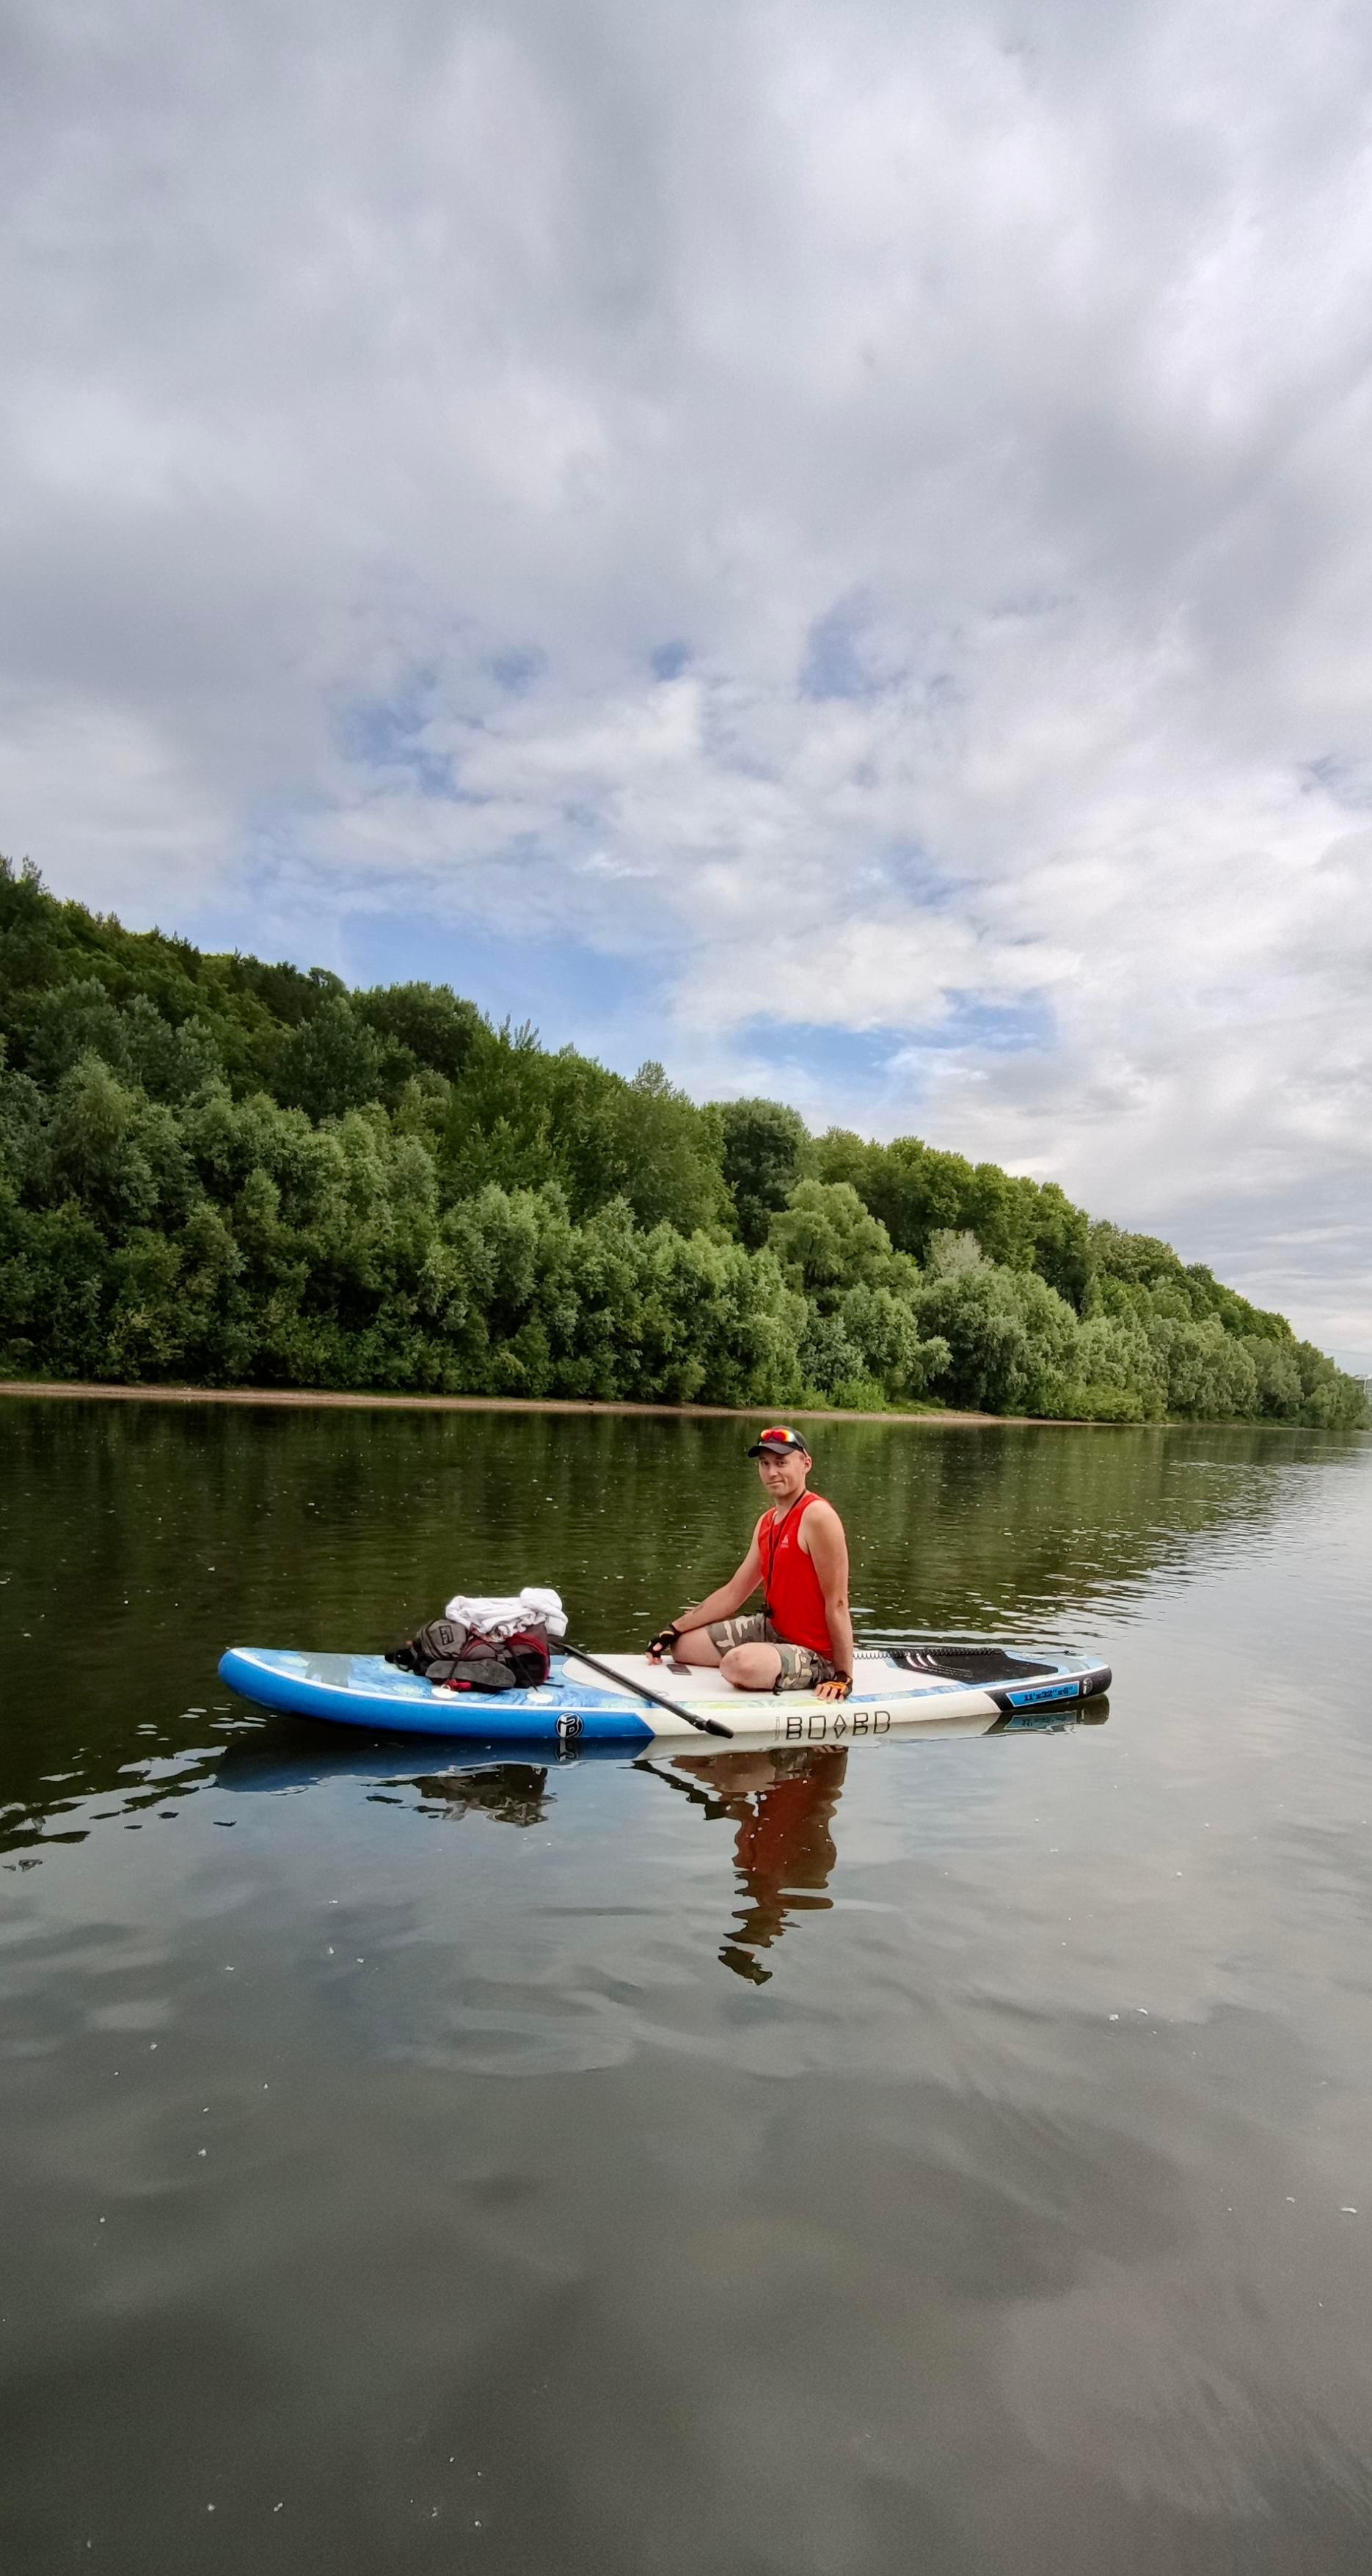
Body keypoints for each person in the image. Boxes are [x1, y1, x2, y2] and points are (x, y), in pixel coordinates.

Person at [647, 1426, 854, 1700]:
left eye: (781, 1463)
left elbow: (838, 1602)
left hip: (816, 1650)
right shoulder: (767, 1521)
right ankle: (766, 1654)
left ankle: (821, 1669)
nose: (771, 1473)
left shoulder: (817, 1516)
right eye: (765, 1464)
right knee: (683, 1646)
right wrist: (674, 1628)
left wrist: (844, 1675)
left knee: (738, 1665)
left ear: (806, 1464)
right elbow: (734, 1593)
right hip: (772, 1630)